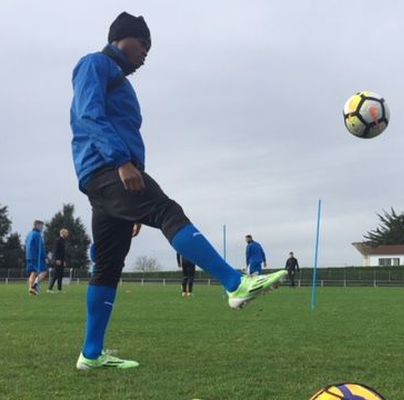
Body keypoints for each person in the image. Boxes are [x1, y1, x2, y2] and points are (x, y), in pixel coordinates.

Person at [70, 12, 286, 370]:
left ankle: (91, 355)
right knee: (168, 212)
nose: (145, 55)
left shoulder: (118, 79)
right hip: (110, 168)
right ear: (122, 39)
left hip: (107, 179)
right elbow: (89, 115)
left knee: (107, 268)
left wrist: (127, 204)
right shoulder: (95, 64)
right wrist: (122, 162)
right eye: (143, 46)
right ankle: (235, 283)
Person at [25, 220, 47, 296]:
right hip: (36, 256)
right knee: (44, 271)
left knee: (33, 272)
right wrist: (45, 257)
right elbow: (40, 247)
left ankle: (30, 291)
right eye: (41, 226)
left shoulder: (29, 234)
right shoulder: (37, 234)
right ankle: (35, 285)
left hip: (29, 256)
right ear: (37, 225)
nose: (42, 228)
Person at [49, 228, 69, 293]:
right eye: (66, 233)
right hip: (57, 260)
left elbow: (63, 252)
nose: (67, 234)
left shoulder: (64, 241)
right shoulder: (57, 240)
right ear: (62, 233)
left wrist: (64, 261)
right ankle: (49, 289)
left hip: (62, 260)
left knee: (60, 275)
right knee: (55, 275)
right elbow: (55, 251)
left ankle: (59, 289)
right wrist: (56, 260)